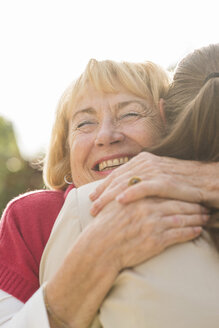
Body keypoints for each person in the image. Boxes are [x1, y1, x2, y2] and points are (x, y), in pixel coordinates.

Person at [0, 56, 218, 328]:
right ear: (66, 153)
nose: (106, 135)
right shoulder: (33, 218)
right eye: (84, 123)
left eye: (130, 114)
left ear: (170, 125)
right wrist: (97, 256)